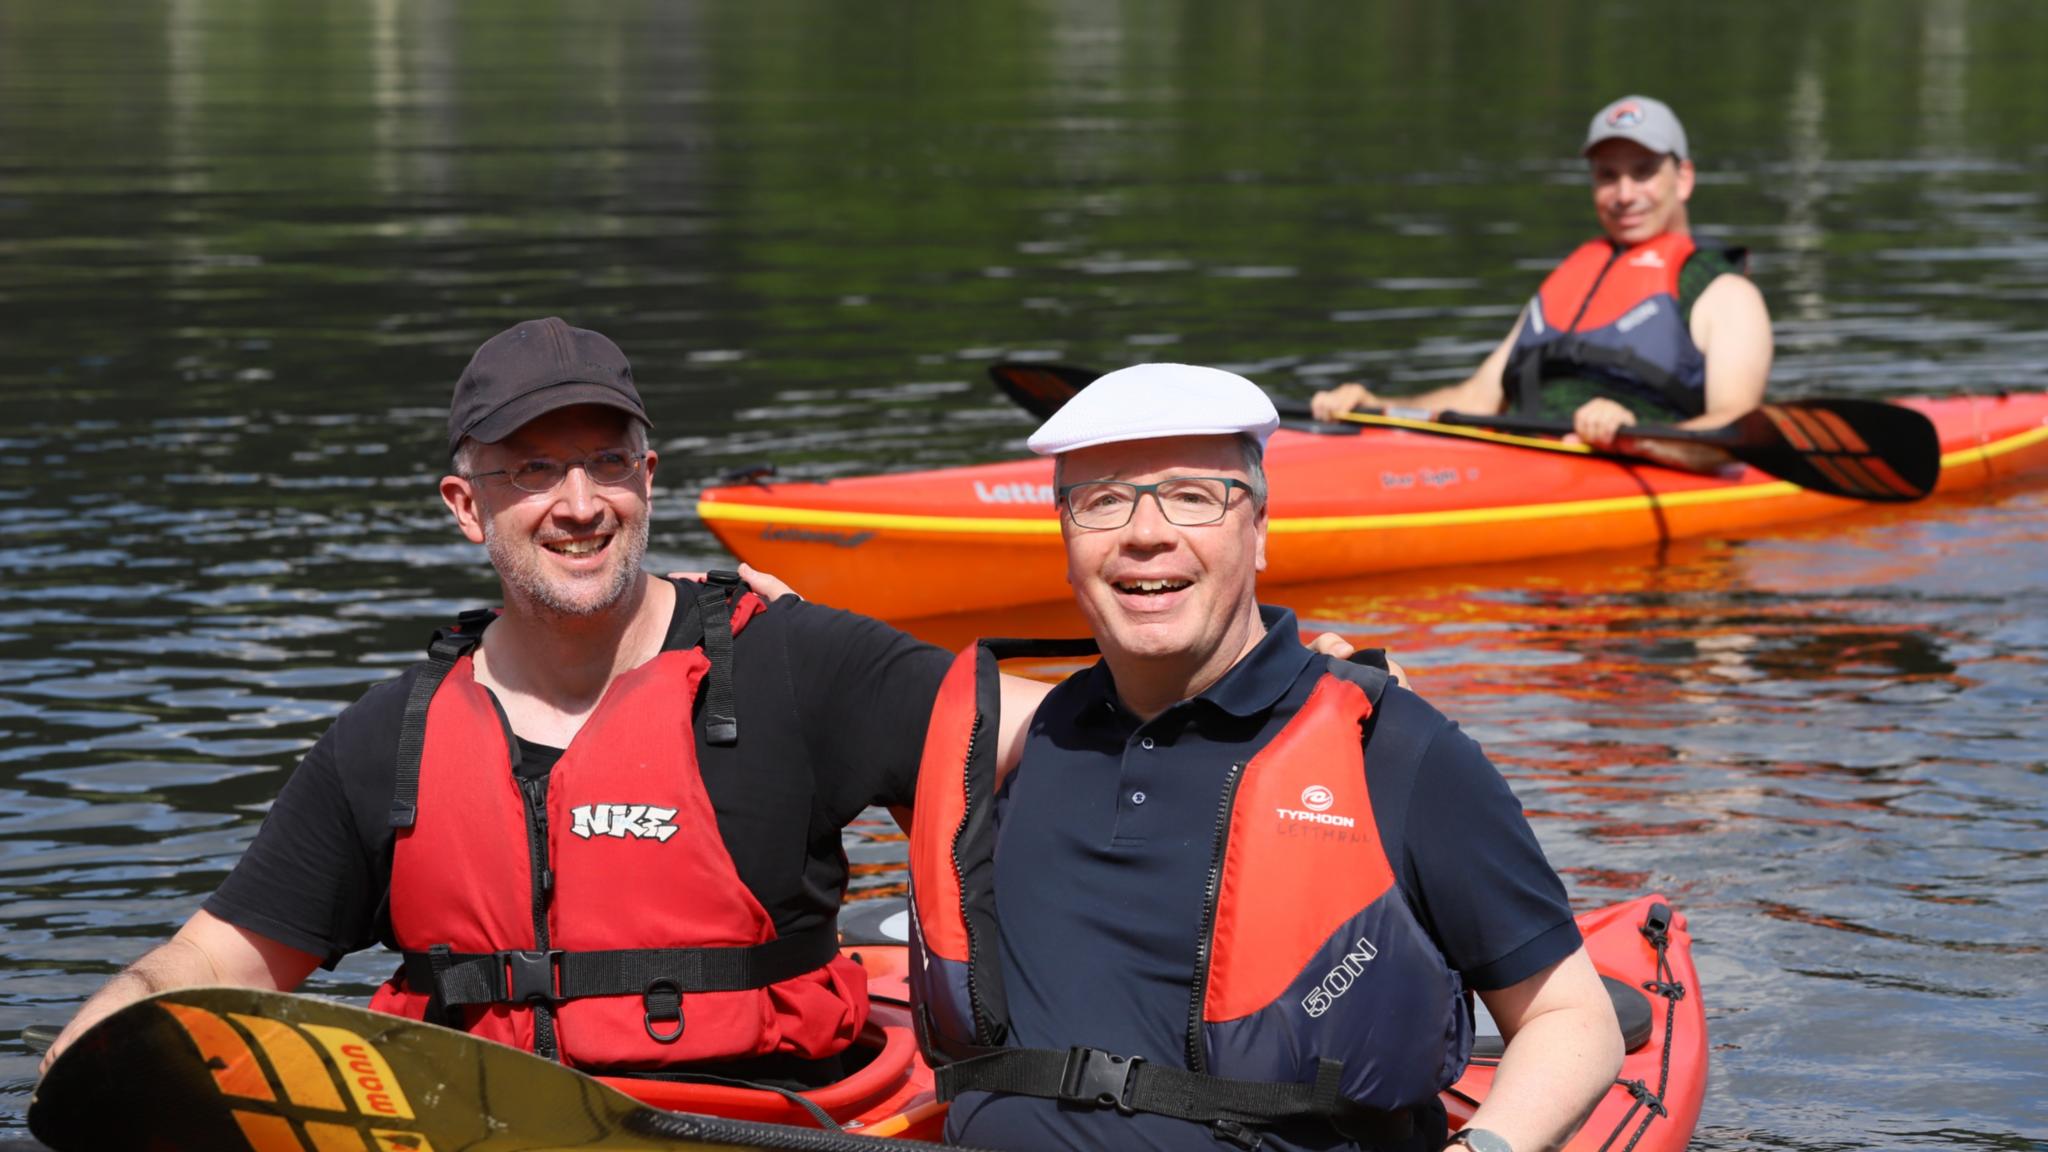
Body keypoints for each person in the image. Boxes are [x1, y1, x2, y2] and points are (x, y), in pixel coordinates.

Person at [37, 318, 1060, 1083]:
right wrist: (87, 1065)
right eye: (533, 469)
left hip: (767, 1117)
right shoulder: (388, 737)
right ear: (465, 505)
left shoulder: (794, 661)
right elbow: (220, 957)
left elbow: (1061, 735)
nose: (579, 504)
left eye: (606, 461)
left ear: (646, 477)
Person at [907, 364, 1623, 1152]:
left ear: (1261, 533)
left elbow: (1575, 1021)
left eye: (1193, 496)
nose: (1145, 533)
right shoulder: (1019, 738)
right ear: (1067, 538)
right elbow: (824, 672)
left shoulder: (1392, 750)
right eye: (1103, 500)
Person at [1312, 95, 1773, 470]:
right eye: (1607, 176)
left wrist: (1638, 438)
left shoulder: (1727, 295)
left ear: (1684, 178)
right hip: (1513, 459)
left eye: (1644, 171)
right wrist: (1375, 407)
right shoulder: (1567, 283)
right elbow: (1476, 398)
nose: (1625, 194)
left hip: (1629, 467)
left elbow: (1733, 432)